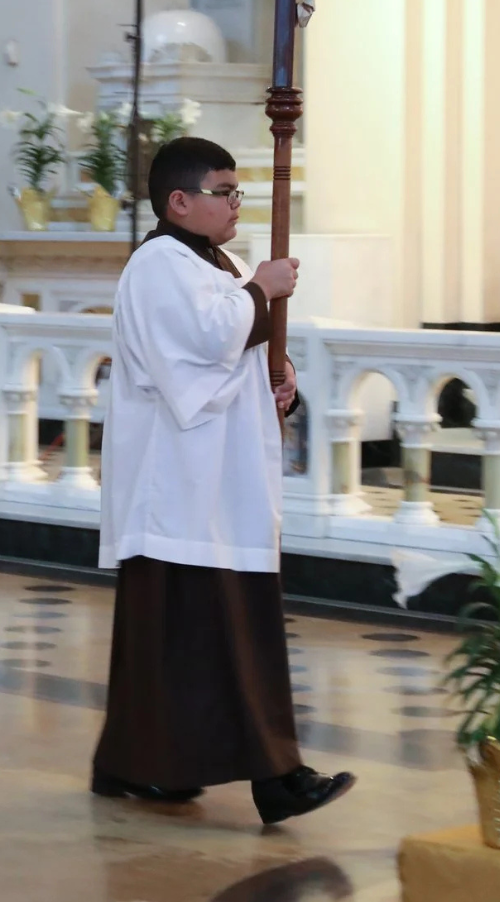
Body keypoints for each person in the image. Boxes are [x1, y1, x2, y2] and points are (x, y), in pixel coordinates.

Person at [91, 136, 354, 827]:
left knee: (193, 637)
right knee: (212, 633)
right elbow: (202, 348)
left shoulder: (224, 263)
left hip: (221, 484)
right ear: (179, 201)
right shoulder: (156, 265)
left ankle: (134, 762)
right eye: (224, 192)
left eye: (239, 191)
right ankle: (276, 777)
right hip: (177, 486)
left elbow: (234, 356)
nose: (237, 203)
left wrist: (278, 379)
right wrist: (261, 292)